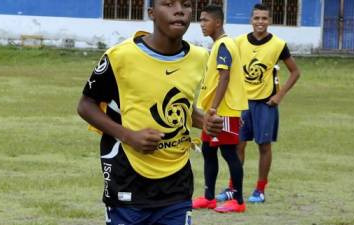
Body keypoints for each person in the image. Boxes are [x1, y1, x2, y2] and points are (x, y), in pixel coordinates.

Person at [77, 0, 224, 224]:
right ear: (152, 13)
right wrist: (129, 135)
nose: (179, 10)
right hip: (127, 177)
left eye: (185, 5)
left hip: (177, 182)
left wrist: (203, 121)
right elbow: (86, 105)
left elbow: (180, 106)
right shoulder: (121, 56)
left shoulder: (199, 57)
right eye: (168, 4)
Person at [217, 3, 301, 203]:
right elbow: (228, 70)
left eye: (264, 18)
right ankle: (233, 188)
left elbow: (295, 72)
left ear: (270, 21)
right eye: (257, 18)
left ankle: (260, 190)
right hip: (242, 103)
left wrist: (279, 96)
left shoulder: (278, 44)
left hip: (265, 104)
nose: (260, 22)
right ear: (251, 20)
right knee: (238, 145)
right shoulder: (238, 43)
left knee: (264, 146)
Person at [192, 5, 248, 213]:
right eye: (201, 20)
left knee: (229, 153)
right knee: (208, 150)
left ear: (218, 22)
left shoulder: (224, 44)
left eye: (205, 20)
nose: (202, 25)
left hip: (223, 111)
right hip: (213, 112)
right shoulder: (218, 45)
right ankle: (208, 198)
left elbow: (224, 77)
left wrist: (213, 108)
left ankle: (238, 201)